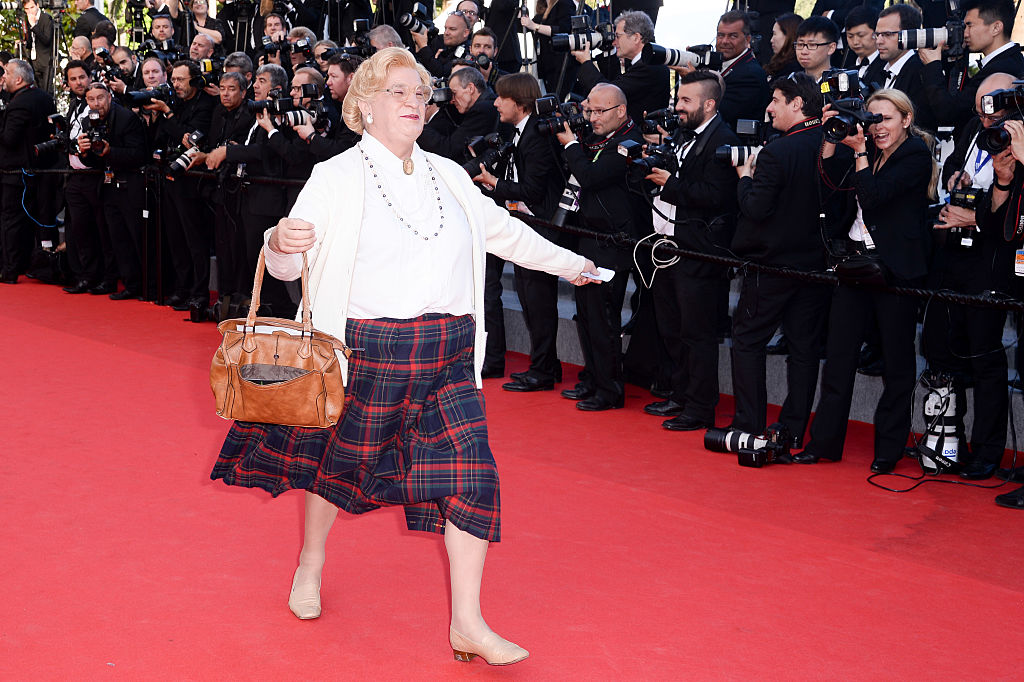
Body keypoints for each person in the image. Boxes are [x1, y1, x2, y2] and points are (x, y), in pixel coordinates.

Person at [210, 46, 599, 665]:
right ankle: (311, 564)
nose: (414, 101)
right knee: (336, 470)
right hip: (366, 351)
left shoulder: (449, 175)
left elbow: (504, 231)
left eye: (420, 92)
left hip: (450, 354)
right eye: (397, 91)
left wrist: (574, 265)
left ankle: (468, 622)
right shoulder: (335, 176)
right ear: (364, 105)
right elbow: (289, 262)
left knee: (475, 478)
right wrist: (279, 241)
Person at [794, 89, 935, 472]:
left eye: (887, 118)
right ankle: (823, 444)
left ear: (906, 120)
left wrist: (857, 152)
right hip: (855, 266)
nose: (878, 128)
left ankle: (888, 451)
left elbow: (874, 199)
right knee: (838, 359)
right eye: (873, 120)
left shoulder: (916, 156)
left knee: (897, 364)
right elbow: (829, 191)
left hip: (896, 270)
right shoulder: (864, 151)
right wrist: (830, 139)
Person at [918, 72, 1017, 480]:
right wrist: (955, 180)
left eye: (991, 107)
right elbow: (956, 165)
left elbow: (1015, 213)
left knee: (985, 356)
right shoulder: (976, 126)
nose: (983, 115)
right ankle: (945, 440)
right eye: (978, 107)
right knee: (941, 347)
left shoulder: (1019, 136)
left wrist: (974, 216)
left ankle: (988, 451)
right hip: (951, 255)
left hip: (991, 261)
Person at [728, 72, 831, 446]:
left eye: (775, 100)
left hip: (771, 266)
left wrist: (743, 176)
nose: (768, 108)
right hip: (816, 267)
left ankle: (749, 425)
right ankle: (791, 430)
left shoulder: (778, 152)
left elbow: (755, 208)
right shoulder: (838, 145)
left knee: (747, 341)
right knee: (803, 351)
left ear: (797, 104)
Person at [642, 70, 740, 432]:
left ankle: (700, 407)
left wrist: (671, 184)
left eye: (685, 101)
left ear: (709, 104)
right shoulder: (682, 135)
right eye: (677, 99)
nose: (677, 106)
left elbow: (718, 197)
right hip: (666, 245)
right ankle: (680, 393)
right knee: (672, 328)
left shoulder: (723, 140)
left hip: (698, 250)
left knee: (697, 334)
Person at [557, 83, 650, 411]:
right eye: (588, 110)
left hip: (613, 242)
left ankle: (610, 390)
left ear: (620, 111)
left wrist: (570, 145)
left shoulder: (631, 141)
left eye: (599, 111)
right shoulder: (596, 138)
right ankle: (594, 378)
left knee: (603, 318)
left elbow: (592, 176)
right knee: (585, 315)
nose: (592, 118)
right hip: (588, 236)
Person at [474, 72, 568, 393]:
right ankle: (547, 365)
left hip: (541, 227)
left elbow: (532, 190)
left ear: (520, 102)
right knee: (531, 300)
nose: (496, 103)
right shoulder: (519, 132)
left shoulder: (536, 138)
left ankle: (543, 370)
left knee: (538, 301)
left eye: (502, 98)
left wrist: (493, 183)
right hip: (526, 225)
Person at [77, 81, 149, 299]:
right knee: (117, 238)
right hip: (109, 186)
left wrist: (111, 152)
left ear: (109, 97)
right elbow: (94, 160)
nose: (96, 104)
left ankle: (149, 287)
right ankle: (131, 284)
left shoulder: (127, 118)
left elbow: (139, 154)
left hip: (132, 186)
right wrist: (84, 152)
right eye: (91, 100)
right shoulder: (89, 120)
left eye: (100, 98)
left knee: (137, 238)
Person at [919, 0, 1024, 131]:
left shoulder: (1001, 70)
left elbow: (948, 112)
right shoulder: (1010, 60)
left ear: (996, 28)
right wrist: (955, 55)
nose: (965, 33)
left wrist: (932, 65)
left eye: (970, 26)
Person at [0, 58, 56, 284]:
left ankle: (11, 269)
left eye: (6, 73)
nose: (3, 77)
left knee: (12, 221)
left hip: (18, 172)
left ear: (19, 79)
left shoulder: (20, 103)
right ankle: (30, 264)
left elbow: (9, 139)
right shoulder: (43, 97)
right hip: (40, 169)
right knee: (34, 219)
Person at [572, 10, 670, 129]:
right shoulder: (644, 62)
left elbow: (608, 94)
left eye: (618, 36)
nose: (614, 41)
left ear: (636, 37)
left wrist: (585, 62)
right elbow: (615, 82)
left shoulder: (650, 66)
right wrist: (608, 50)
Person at [867, 4, 936, 133]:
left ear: (909, 36)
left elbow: (921, 125)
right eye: (877, 35)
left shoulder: (920, 72)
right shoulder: (876, 70)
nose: (879, 41)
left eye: (887, 34)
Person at [716, 10, 771, 131]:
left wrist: (697, 83)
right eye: (721, 35)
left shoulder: (750, 75)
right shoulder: (717, 63)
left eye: (733, 36)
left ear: (747, 39)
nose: (724, 41)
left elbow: (719, 116)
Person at [519, 0, 575, 99]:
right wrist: (520, 15)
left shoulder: (564, 4)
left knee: (558, 99)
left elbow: (564, 29)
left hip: (560, 65)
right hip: (547, 65)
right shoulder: (543, 9)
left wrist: (535, 26)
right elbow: (524, 27)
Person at [20, 0, 54, 94]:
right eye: (27, 9)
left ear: (37, 6)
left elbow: (46, 40)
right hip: (34, 60)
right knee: (36, 91)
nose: (30, 11)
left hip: (46, 61)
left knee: (47, 92)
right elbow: (30, 41)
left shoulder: (46, 18)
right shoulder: (27, 19)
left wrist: (34, 26)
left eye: (32, 7)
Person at [795, 15, 839, 82]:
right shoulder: (791, 83)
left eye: (812, 45)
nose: (804, 51)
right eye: (800, 44)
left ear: (831, 48)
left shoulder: (841, 83)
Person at [766, 12, 802, 78]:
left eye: (774, 34)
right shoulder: (779, 62)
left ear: (788, 35)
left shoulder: (793, 70)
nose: (771, 40)